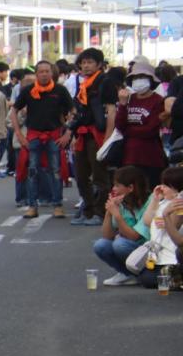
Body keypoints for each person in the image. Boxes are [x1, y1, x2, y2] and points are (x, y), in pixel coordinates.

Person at [11, 61, 73, 218]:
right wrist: (19, 134)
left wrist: (68, 133)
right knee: (32, 171)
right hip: (33, 136)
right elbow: (14, 109)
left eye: (47, 71)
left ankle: (57, 205)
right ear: (36, 74)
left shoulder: (60, 90)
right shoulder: (28, 90)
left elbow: (73, 111)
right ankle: (32, 206)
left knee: (55, 171)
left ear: (52, 73)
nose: (44, 74)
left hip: (54, 136)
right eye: (41, 71)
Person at [65, 48, 115, 225]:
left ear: (99, 64)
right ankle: (88, 210)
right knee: (80, 174)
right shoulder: (82, 84)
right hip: (83, 134)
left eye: (90, 62)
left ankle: (101, 213)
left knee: (100, 176)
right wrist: (73, 134)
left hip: (98, 134)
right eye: (83, 63)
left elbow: (111, 110)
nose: (85, 66)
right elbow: (79, 112)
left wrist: (108, 138)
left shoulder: (105, 82)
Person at [92, 166, 152, 286]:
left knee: (120, 244)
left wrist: (117, 215)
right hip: (133, 248)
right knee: (100, 245)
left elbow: (134, 236)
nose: (114, 189)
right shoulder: (123, 203)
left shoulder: (150, 202)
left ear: (130, 188)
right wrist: (109, 213)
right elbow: (107, 236)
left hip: (150, 251)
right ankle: (127, 274)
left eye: (117, 185)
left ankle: (144, 275)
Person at [115, 59, 167, 187]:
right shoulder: (128, 99)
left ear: (151, 79)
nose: (138, 80)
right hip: (129, 156)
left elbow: (151, 129)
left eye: (142, 77)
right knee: (132, 194)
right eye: (136, 77)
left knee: (151, 192)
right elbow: (120, 125)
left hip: (151, 157)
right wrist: (122, 104)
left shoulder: (158, 100)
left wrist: (128, 130)